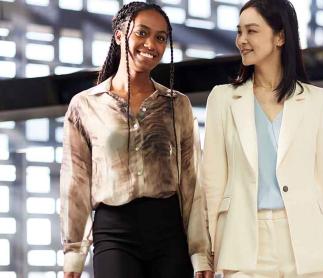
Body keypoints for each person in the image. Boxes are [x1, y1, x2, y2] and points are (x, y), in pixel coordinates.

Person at [200, 0, 323, 277]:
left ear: (280, 36)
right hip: (242, 244)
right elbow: (211, 184)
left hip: (309, 244)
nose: (242, 40)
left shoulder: (318, 100)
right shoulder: (222, 99)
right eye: (239, 32)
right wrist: (204, 257)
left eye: (252, 31)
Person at [59, 2, 213, 278]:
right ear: (119, 35)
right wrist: (74, 256)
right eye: (142, 33)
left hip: (169, 232)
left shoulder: (177, 104)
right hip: (114, 232)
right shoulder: (85, 105)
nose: (151, 44)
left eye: (160, 37)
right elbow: (76, 183)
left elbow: (192, 181)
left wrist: (201, 253)